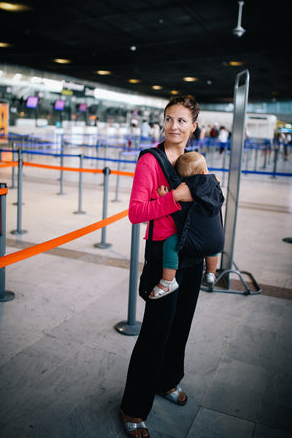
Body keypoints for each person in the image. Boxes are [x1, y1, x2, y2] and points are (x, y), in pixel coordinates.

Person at [120, 96, 205, 438]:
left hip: (192, 257)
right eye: (169, 119)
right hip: (163, 259)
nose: (174, 126)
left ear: (193, 126)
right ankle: (133, 406)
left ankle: (168, 380)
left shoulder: (195, 159)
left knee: (180, 326)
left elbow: (206, 200)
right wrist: (175, 197)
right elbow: (136, 213)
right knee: (154, 334)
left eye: (182, 121)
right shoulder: (150, 161)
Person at [149, 151, 223, 299]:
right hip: (217, 241)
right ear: (203, 171)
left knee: (170, 244)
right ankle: (210, 273)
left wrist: (164, 196)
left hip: (196, 241)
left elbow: (173, 207)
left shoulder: (184, 190)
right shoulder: (215, 184)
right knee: (212, 247)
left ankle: (168, 281)